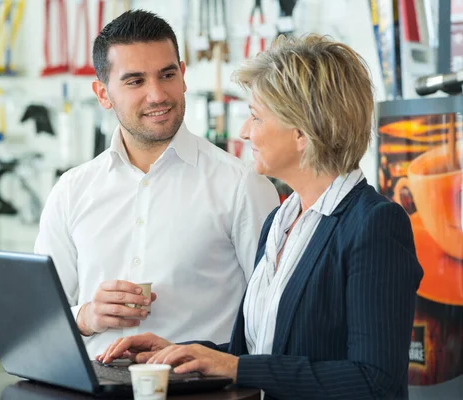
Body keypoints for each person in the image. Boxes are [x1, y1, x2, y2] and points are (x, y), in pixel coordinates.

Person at [97, 34, 424, 400]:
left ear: (302, 131)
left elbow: (375, 382)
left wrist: (235, 367)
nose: (244, 131)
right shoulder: (280, 221)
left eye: (256, 117)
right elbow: (262, 354)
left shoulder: (374, 225)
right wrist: (179, 352)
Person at [34, 10, 279, 357]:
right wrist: (87, 316)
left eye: (167, 75)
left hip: (202, 392)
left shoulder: (243, 186)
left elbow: (275, 317)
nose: (157, 95)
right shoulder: (71, 191)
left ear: (183, 75)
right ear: (103, 94)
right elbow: (39, 318)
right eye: (135, 81)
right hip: (94, 388)